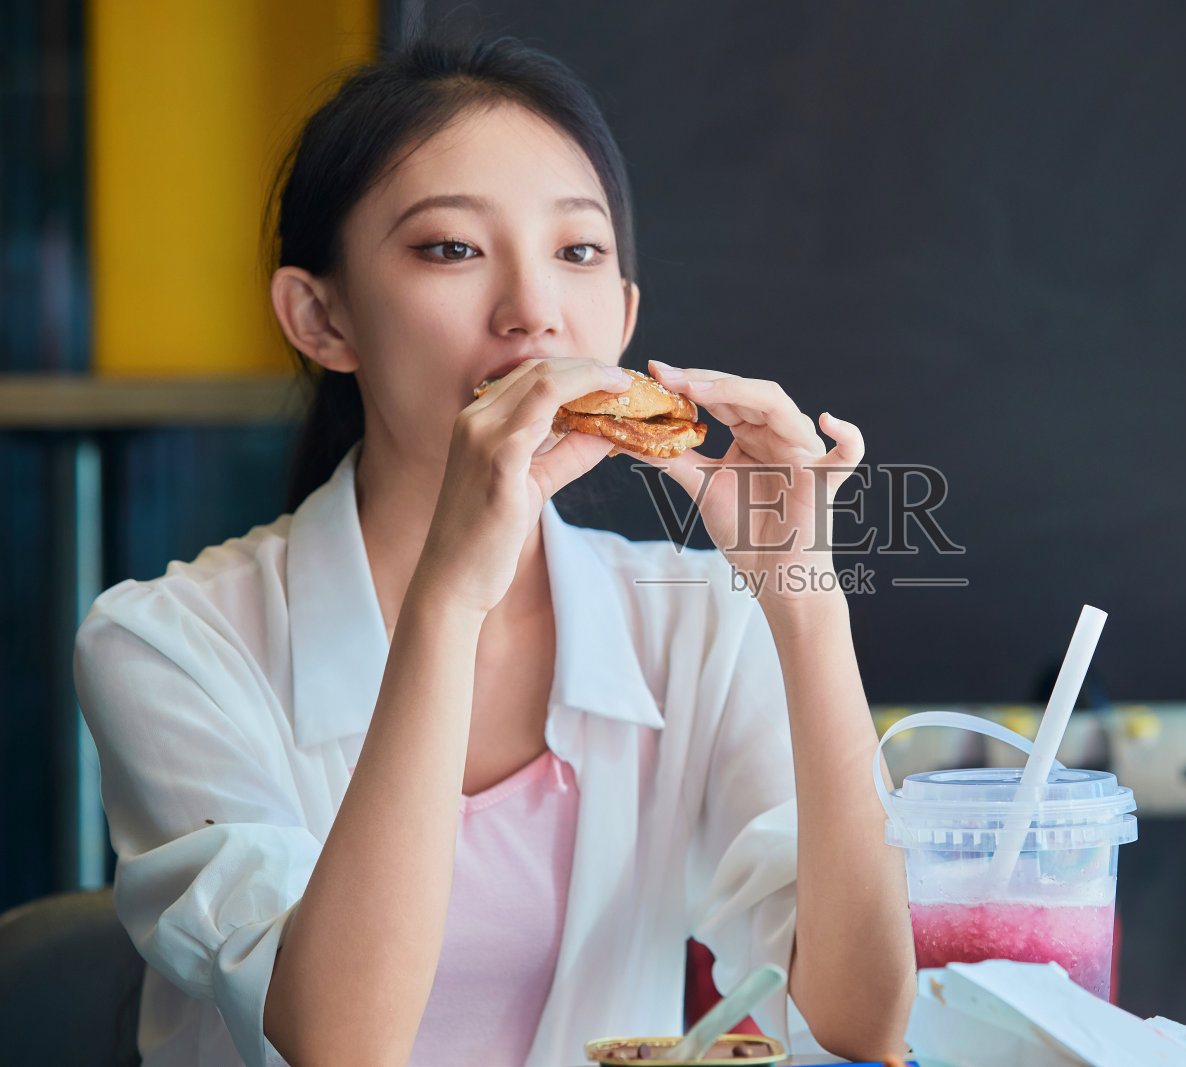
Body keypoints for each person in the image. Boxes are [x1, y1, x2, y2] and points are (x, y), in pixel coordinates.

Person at [73, 33, 915, 1067]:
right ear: (320, 316)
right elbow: (337, 1043)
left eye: (578, 252)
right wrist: (449, 599)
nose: (534, 314)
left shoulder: (696, 620)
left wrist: (803, 593)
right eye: (451, 249)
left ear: (623, 318)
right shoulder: (165, 643)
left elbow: (858, 1021)